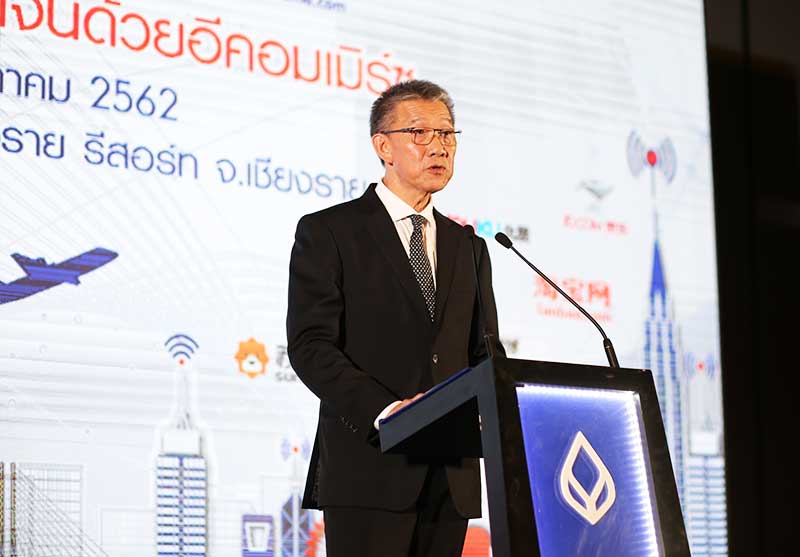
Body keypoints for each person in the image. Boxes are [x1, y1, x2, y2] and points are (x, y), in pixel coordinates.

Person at [286, 79, 504, 557]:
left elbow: (485, 353)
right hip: (370, 467)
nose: (438, 146)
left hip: (451, 477)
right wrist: (386, 413)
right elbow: (311, 345)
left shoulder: (469, 247)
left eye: (446, 134)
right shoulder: (330, 231)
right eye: (420, 133)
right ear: (383, 146)